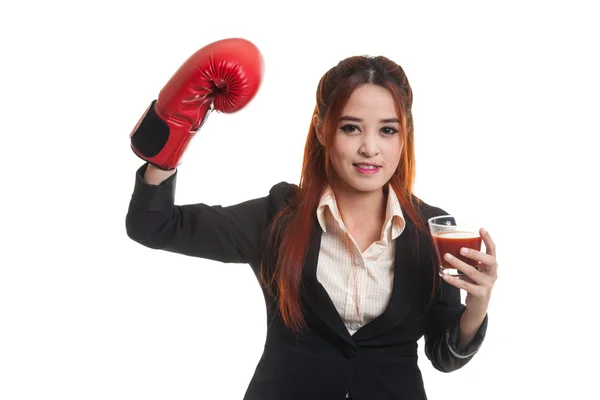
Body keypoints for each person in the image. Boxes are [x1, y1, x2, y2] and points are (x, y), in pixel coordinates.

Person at [125, 37, 498, 400]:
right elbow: (154, 225)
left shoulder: (431, 229)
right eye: (351, 127)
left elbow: (444, 356)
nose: (370, 147)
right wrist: (171, 134)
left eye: (387, 130)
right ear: (322, 129)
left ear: (404, 137)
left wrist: (477, 304)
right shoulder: (279, 216)